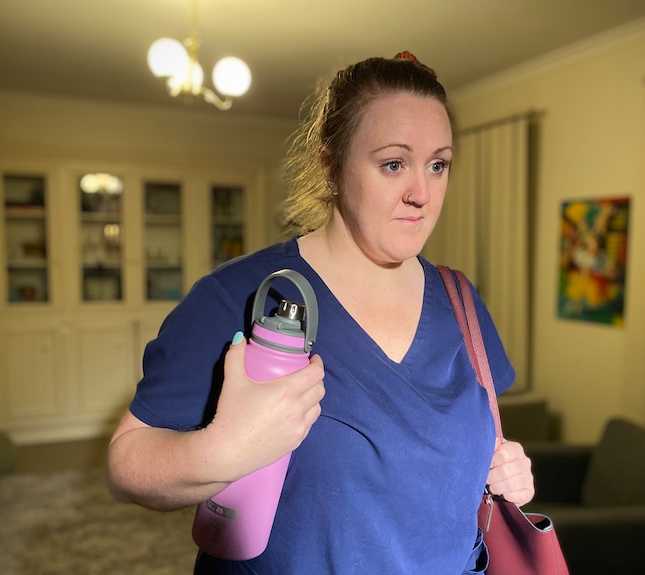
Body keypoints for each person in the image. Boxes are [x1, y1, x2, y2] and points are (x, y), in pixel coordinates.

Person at [106, 51, 534, 574]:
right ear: (331, 166)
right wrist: (223, 450)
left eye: (438, 164)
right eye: (394, 164)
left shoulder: (461, 301)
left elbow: (475, 443)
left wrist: (505, 467)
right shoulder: (242, 295)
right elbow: (127, 465)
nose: (422, 193)